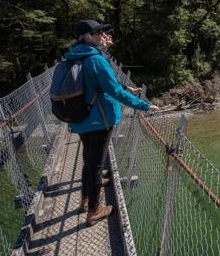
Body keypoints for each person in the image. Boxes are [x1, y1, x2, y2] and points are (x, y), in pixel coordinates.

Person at [65, 19, 159, 225]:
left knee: (89, 160)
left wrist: (125, 88)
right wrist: (143, 105)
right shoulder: (96, 60)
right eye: (98, 33)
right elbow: (113, 91)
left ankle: (85, 199)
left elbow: (101, 84)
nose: (103, 36)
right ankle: (94, 211)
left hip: (81, 118)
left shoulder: (73, 57)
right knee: (96, 165)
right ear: (88, 37)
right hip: (99, 120)